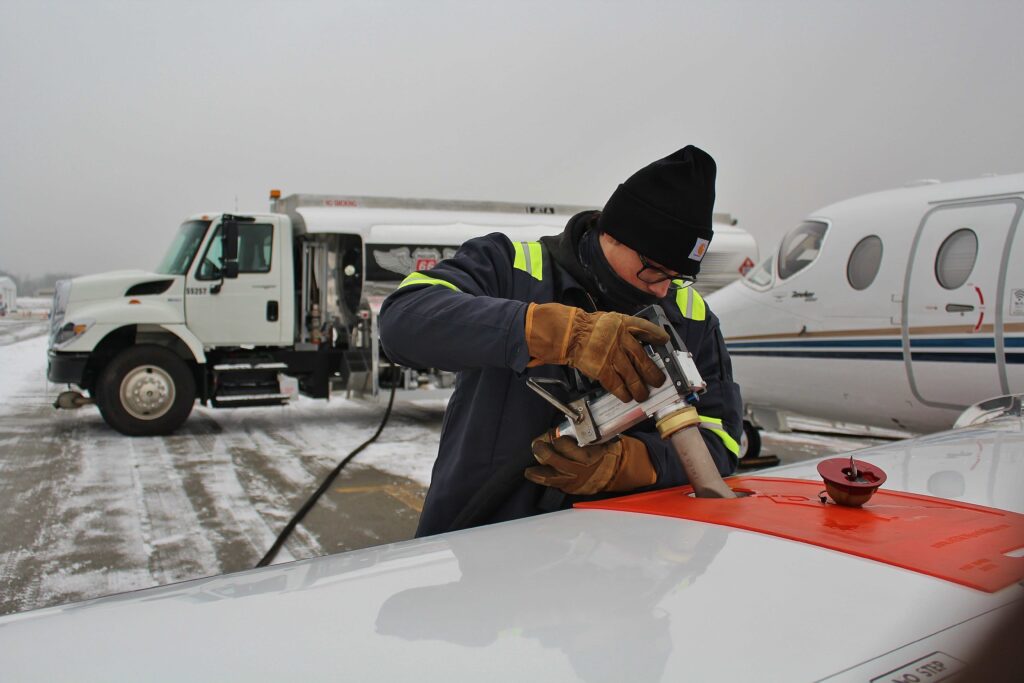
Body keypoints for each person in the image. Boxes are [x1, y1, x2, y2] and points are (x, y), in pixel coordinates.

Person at [379, 145, 743, 537]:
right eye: (653, 270)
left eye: (677, 277)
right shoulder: (510, 268)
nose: (661, 292)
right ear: (613, 233)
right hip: (480, 538)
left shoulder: (692, 316)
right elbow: (403, 320)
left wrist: (631, 464)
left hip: (624, 560)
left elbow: (720, 441)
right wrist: (556, 334)